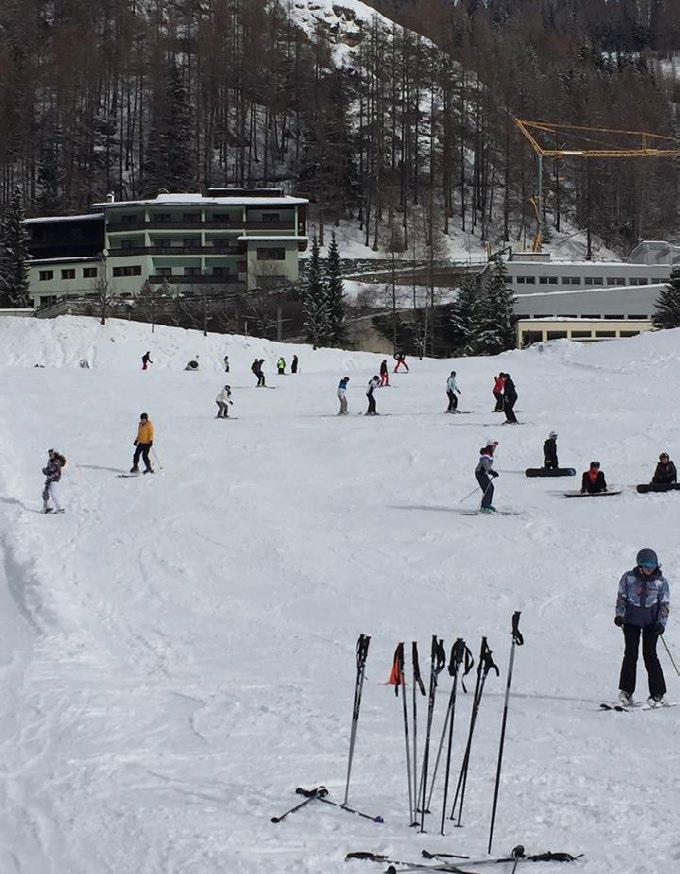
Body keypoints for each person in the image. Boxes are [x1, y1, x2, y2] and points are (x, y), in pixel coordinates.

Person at [615, 548, 670, 706]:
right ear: (639, 566)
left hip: (651, 624)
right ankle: (626, 692)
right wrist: (620, 615)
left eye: (652, 567)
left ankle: (657, 694)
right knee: (630, 654)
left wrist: (661, 623)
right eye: (646, 567)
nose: (649, 570)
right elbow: (621, 598)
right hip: (631, 621)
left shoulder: (660, 582)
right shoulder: (629, 578)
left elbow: (664, 604)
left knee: (650, 655)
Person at [475, 438, 499, 513]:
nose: (495, 448)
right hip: (480, 473)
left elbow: (487, 465)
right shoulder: (486, 452)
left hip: (482, 473)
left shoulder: (489, 453)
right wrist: (491, 471)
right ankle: (484, 507)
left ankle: (487, 505)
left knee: (490, 487)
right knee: (488, 489)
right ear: (490, 446)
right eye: (494, 446)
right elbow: (484, 463)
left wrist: (492, 471)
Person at [42, 449, 66, 514]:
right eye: (49, 454)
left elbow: (58, 472)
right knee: (46, 493)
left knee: (54, 494)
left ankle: (60, 508)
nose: (50, 455)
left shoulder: (56, 462)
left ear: (55, 454)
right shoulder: (50, 461)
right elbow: (48, 470)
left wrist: (51, 475)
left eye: (51, 454)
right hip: (49, 480)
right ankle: (48, 508)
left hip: (54, 480)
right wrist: (45, 471)